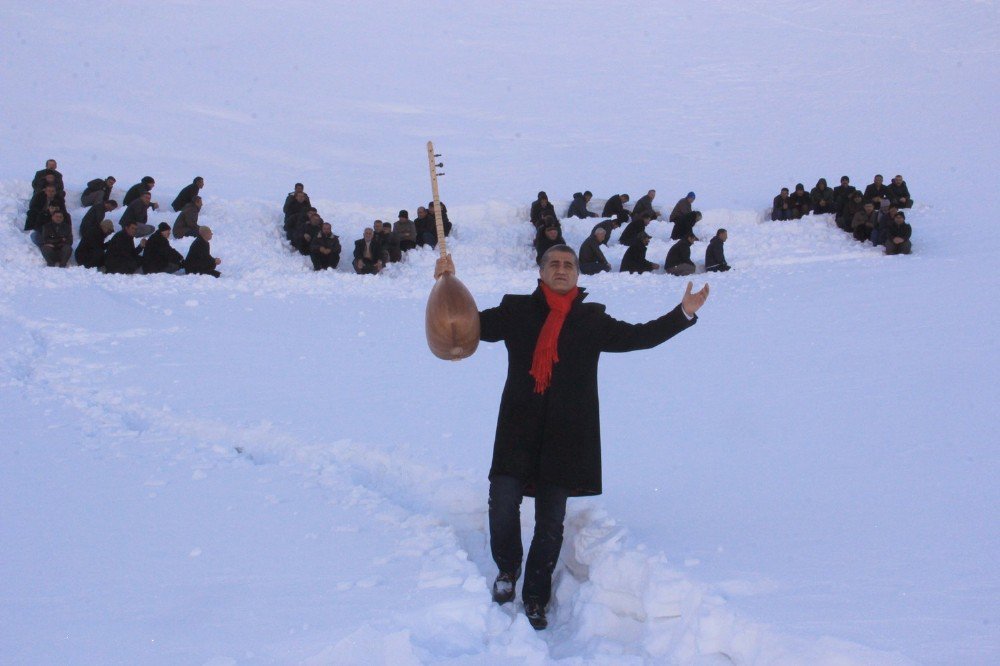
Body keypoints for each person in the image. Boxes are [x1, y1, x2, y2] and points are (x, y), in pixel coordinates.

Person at [434, 245, 707, 630]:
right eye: (554, 264)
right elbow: (463, 326)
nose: (561, 269)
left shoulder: (590, 319)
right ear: (541, 272)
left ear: (577, 274)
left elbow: (640, 337)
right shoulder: (516, 311)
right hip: (518, 426)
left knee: (550, 520)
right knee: (503, 501)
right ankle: (508, 569)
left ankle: (535, 595)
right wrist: (446, 281)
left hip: (567, 434)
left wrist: (684, 313)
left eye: (568, 265)